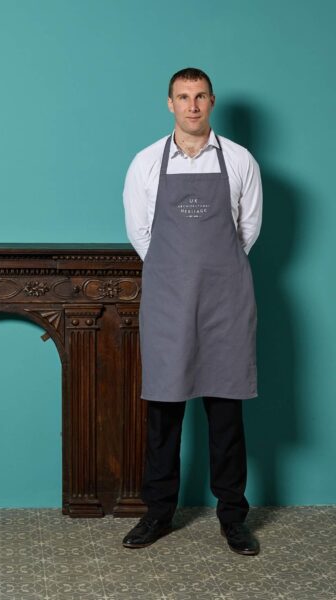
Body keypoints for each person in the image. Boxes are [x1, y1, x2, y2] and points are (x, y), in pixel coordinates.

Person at [121, 68, 262, 555]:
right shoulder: (145, 162)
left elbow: (247, 231)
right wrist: (176, 272)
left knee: (226, 414)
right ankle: (158, 513)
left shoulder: (240, 160)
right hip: (168, 300)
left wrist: (212, 270)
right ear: (170, 104)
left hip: (225, 301)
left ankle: (233, 517)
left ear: (212, 101)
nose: (192, 106)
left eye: (200, 96)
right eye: (183, 97)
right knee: (163, 412)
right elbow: (141, 234)